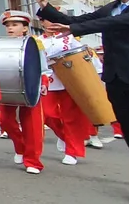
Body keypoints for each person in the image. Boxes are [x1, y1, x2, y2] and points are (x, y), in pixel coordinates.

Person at [36, 0, 129, 197]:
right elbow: (78, 21)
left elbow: (114, 23)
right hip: (116, 79)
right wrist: (47, 7)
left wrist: (75, 30)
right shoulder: (112, 8)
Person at [0, 10, 50, 174]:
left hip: (31, 85)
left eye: (15, 25)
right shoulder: (2, 44)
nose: (10, 28)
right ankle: (20, 146)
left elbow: (43, 67)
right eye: (8, 26)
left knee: (32, 125)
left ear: (25, 28)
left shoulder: (34, 43)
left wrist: (44, 81)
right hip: (9, 87)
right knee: (4, 119)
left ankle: (33, 161)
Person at [39, 14, 95, 166]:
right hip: (48, 81)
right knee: (47, 114)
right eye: (46, 19)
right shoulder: (38, 41)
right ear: (42, 23)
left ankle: (72, 151)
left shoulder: (68, 38)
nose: (50, 22)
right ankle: (63, 136)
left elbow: (81, 55)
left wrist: (87, 54)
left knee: (71, 117)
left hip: (69, 81)